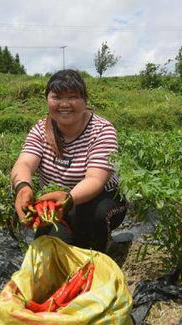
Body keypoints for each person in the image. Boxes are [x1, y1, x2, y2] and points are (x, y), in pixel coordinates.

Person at [11, 70, 128, 252]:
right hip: (57, 203)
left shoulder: (102, 130)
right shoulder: (41, 130)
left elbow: (95, 180)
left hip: (99, 198)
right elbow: (24, 163)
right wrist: (22, 188)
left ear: (85, 100)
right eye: (56, 97)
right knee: (48, 248)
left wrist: (68, 200)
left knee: (94, 217)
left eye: (73, 97)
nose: (64, 104)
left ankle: (100, 249)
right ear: (47, 100)